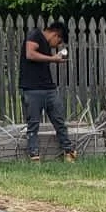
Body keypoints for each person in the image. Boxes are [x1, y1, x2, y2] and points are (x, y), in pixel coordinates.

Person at [21, 21, 75, 162]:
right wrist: (53, 59)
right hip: (32, 88)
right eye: (59, 41)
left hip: (48, 88)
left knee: (59, 121)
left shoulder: (45, 44)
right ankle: (34, 156)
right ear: (56, 34)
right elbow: (30, 54)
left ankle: (69, 152)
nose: (57, 45)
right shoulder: (35, 35)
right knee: (33, 125)